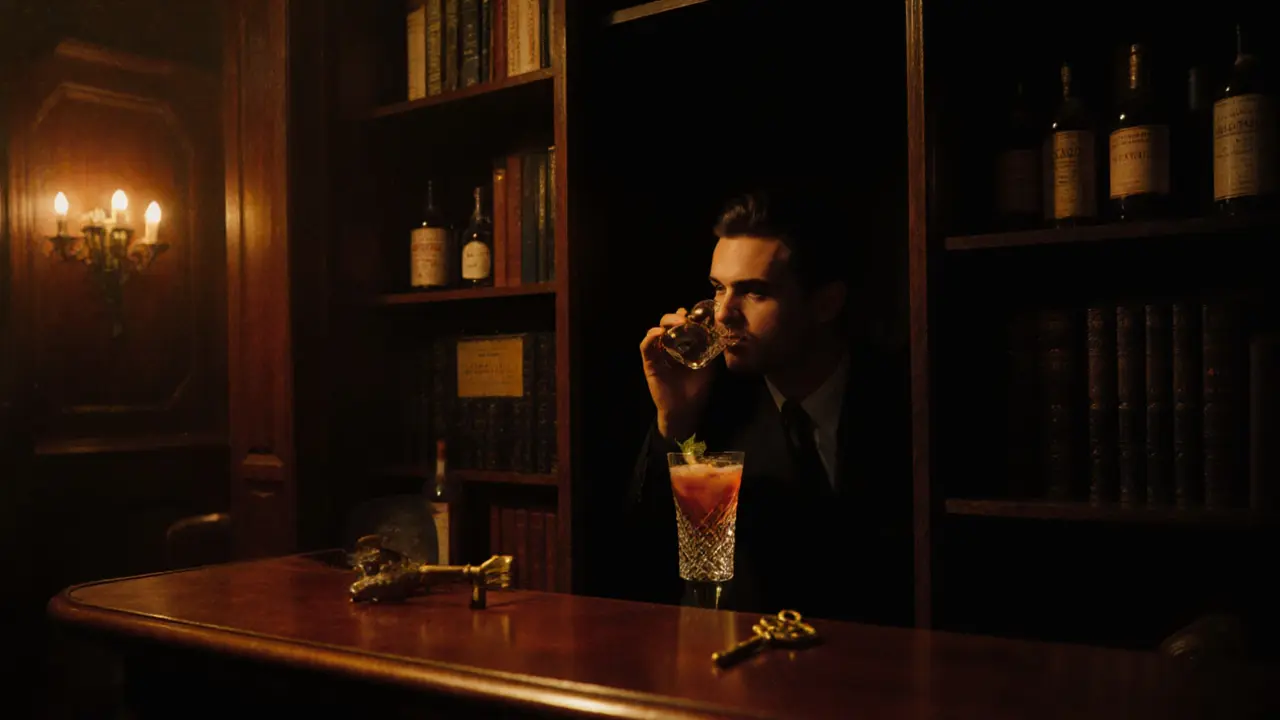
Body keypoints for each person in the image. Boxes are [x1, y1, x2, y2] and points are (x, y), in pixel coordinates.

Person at [625, 186, 913, 626]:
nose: (722, 315)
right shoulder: (713, 402)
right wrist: (674, 422)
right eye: (717, 289)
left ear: (826, 303)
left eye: (753, 292)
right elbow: (640, 564)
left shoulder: (903, 397)